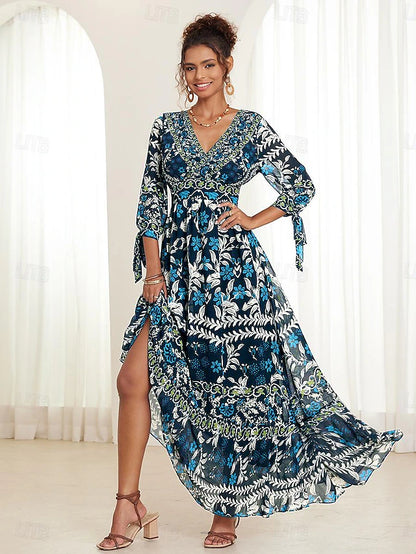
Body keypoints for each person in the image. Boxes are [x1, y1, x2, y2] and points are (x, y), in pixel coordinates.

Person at [97, 12, 404, 551]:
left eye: (208, 65)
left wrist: (250, 219)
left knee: (231, 393)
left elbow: (299, 185)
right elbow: (150, 205)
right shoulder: (166, 129)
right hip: (175, 279)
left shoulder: (250, 127)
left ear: (227, 66)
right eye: (189, 67)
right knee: (131, 380)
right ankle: (129, 502)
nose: (198, 76)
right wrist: (153, 271)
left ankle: (227, 509)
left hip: (234, 283)